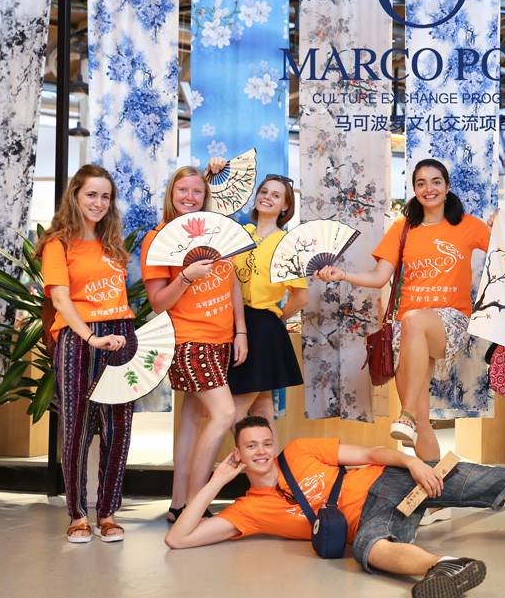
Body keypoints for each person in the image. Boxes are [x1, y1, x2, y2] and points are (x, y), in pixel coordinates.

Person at [164, 416, 505, 598]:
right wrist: (217, 479)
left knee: (504, 482)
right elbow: (179, 538)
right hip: (380, 513)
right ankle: (446, 567)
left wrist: (413, 462)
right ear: (239, 454)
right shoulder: (250, 509)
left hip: (396, 479)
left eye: (264, 443)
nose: (260, 451)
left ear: (274, 443)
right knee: (370, 546)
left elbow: (371, 453)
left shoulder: (300, 451)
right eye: (250, 447)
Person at [314, 159, 489, 465]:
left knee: (414, 322)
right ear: (414, 190)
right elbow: (379, 277)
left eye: (435, 182)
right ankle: (434, 482)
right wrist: (343, 275)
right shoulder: (403, 229)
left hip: (449, 321)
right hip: (406, 332)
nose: (429, 188)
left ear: (447, 187)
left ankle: (404, 412)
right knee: (422, 423)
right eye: (421, 183)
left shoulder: (468, 225)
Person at [141, 166, 248, 522]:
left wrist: (240, 332)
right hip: (189, 340)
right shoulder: (158, 238)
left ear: (205, 196)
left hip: (220, 339)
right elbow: (159, 303)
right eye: (182, 190)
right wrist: (186, 276)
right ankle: (196, 504)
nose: (189, 197)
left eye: (197, 191)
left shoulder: (216, 232)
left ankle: (178, 504)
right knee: (224, 413)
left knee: (193, 419)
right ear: (171, 193)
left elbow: (232, 284)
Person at [38, 164, 136, 543]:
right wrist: (91, 337)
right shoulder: (58, 244)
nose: (98, 202)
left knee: (118, 428)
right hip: (80, 339)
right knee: (77, 427)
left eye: (105, 196)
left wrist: (119, 335)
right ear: (75, 196)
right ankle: (78, 514)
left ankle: (108, 512)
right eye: (91, 194)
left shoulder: (112, 244)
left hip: (121, 334)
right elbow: (61, 299)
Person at [225, 169, 308, 422]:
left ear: (285, 206)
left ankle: (225, 450)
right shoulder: (240, 233)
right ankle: (267, 452)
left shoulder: (288, 243)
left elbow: (301, 297)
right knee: (262, 409)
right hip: (232, 322)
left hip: (262, 325)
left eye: (276, 195)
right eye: (263, 192)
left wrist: (276, 319)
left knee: (235, 410)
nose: (267, 197)